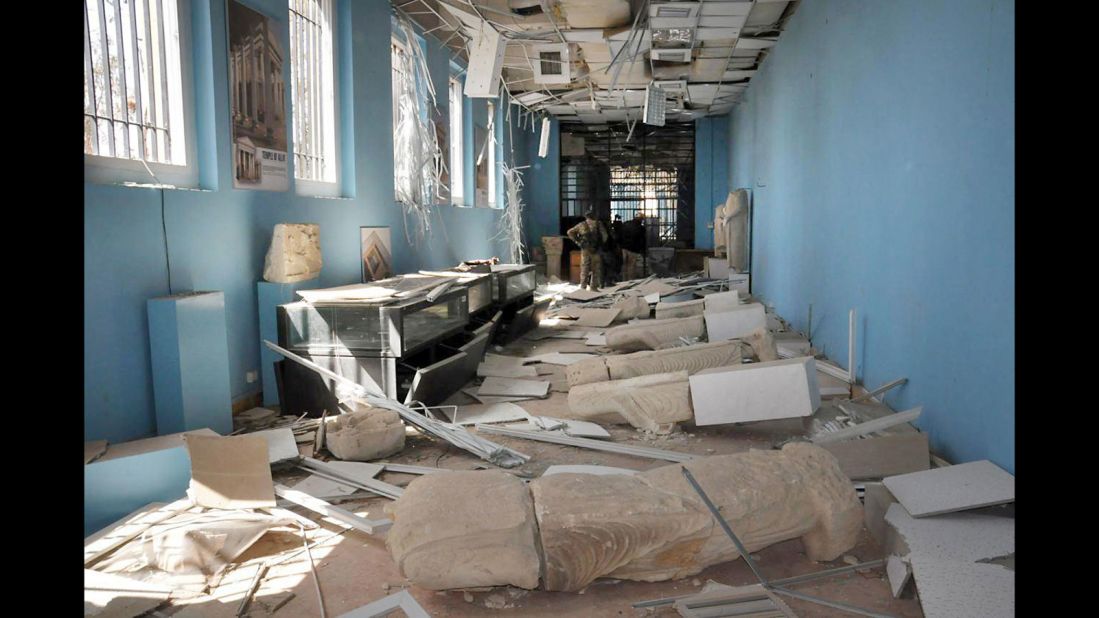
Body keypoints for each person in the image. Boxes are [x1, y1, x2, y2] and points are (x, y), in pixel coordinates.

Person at [566, 209, 609, 290]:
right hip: (596, 249)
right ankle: (593, 287)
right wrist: (600, 244)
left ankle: (583, 287)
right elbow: (605, 236)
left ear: (586, 216)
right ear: (593, 216)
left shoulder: (581, 224)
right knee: (595, 269)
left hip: (585, 249)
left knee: (584, 268)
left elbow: (569, 232)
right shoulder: (599, 224)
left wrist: (577, 241)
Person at [620, 210, 647, 280]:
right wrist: (643, 250)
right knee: (631, 266)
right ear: (641, 219)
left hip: (624, 248)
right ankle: (630, 281)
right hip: (633, 249)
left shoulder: (625, 224)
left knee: (624, 265)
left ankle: (623, 280)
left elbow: (619, 235)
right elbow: (642, 240)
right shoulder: (641, 228)